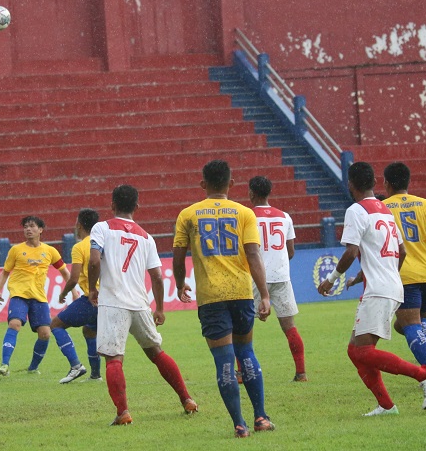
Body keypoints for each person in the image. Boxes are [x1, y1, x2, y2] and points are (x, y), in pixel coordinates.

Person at [318, 162, 426, 416]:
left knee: (362, 350)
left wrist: (331, 279)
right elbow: (403, 250)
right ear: (374, 183)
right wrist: (388, 274)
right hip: (392, 285)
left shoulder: (356, 210)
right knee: (355, 351)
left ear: (350, 184)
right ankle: (386, 405)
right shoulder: (385, 210)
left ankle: (425, 375)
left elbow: (351, 251)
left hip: (379, 290)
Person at [173, 161, 273, 439]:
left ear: (203, 184)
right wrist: (263, 295)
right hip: (241, 294)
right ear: (231, 184)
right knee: (247, 353)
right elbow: (253, 255)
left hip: (211, 298)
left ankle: (239, 424)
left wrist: (181, 284)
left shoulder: (188, 215)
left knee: (224, 361)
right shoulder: (244, 213)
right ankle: (261, 417)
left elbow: (179, 257)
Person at [88, 184, 197, 426]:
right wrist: (159, 308)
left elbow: (94, 260)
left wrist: (92, 288)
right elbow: (157, 276)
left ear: (112, 204)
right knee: (157, 353)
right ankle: (187, 399)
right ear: (137, 206)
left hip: (114, 303)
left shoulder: (102, 228)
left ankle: (123, 412)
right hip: (139, 304)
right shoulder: (146, 237)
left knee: (114, 359)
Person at [382, 162, 426, 370]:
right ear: (408, 182)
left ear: (386, 183)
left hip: (405, 275)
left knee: (409, 324)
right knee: (422, 322)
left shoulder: (383, 208)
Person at [0, 216, 71, 376]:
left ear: (40, 230)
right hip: (19, 295)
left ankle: (33, 368)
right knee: (14, 324)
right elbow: (5, 272)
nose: (28, 229)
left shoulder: (50, 251)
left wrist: (74, 292)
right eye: (25, 227)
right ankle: (4, 365)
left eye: (32, 226)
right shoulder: (16, 250)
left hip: (39, 298)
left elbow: (64, 271)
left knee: (45, 333)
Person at [248, 176, 307, 382]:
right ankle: (301, 373)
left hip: (255, 277)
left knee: (244, 327)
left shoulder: (247, 216)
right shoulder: (284, 217)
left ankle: (241, 372)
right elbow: (290, 250)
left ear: (251, 193)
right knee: (289, 326)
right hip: (281, 276)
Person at [51, 208, 102, 384]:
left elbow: (73, 278)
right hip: (110, 299)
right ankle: (95, 375)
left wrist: (63, 294)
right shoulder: (104, 242)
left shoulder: (80, 247)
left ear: (79, 224)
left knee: (56, 324)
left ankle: (76, 366)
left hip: (91, 298)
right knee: (89, 330)